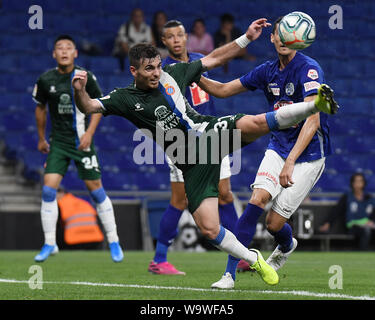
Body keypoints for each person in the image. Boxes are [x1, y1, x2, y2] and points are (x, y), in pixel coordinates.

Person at [72, 17, 338, 287]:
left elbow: (214, 58)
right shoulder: (123, 98)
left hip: (209, 134)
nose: (155, 73)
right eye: (149, 69)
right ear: (133, 71)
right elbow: (89, 107)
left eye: (157, 67)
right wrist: (80, 91)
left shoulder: (174, 73)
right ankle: (254, 259)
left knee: (256, 122)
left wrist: (246, 38)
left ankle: (314, 104)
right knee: (210, 229)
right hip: (189, 161)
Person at [198, 16, 333, 289]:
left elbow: (313, 119)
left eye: (289, 34)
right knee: (256, 200)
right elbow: (223, 90)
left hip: (308, 155)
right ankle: (229, 275)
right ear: (272, 38)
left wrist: (291, 161)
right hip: (278, 146)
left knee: (273, 224)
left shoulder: (309, 69)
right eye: (279, 34)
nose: (283, 38)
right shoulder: (266, 71)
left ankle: (286, 243)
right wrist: (192, 76)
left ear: (297, 40)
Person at [146, 19, 246, 275]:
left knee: (225, 194)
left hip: (213, 133)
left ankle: (241, 254)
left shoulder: (201, 59)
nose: (177, 40)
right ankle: (159, 259)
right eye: (171, 36)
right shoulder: (164, 70)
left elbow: (218, 71)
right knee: (179, 200)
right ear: (164, 42)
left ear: (186, 37)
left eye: (180, 35)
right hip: (183, 140)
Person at [32, 35, 123, 263]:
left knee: (96, 191)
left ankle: (113, 240)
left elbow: (99, 107)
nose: (64, 51)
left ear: (76, 53)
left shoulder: (85, 76)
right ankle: (50, 243)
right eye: (59, 48)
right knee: (48, 190)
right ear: (54, 54)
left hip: (82, 141)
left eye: (68, 48)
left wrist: (90, 134)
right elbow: (40, 109)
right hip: (59, 143)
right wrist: (41, 138)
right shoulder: (45, 79)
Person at [319, 173, 375, 250]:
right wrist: (327, 223)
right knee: (366, 231)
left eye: (360, 181)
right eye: (356, 181)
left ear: (364, 183)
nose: (358, 184)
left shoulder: (369, 198)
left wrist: (372, 222)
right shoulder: (347, 197)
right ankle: (363, 253)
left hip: (367, 224)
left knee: (368, 229)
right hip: (353, 225)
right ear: (352, 183)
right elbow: (336, 211)